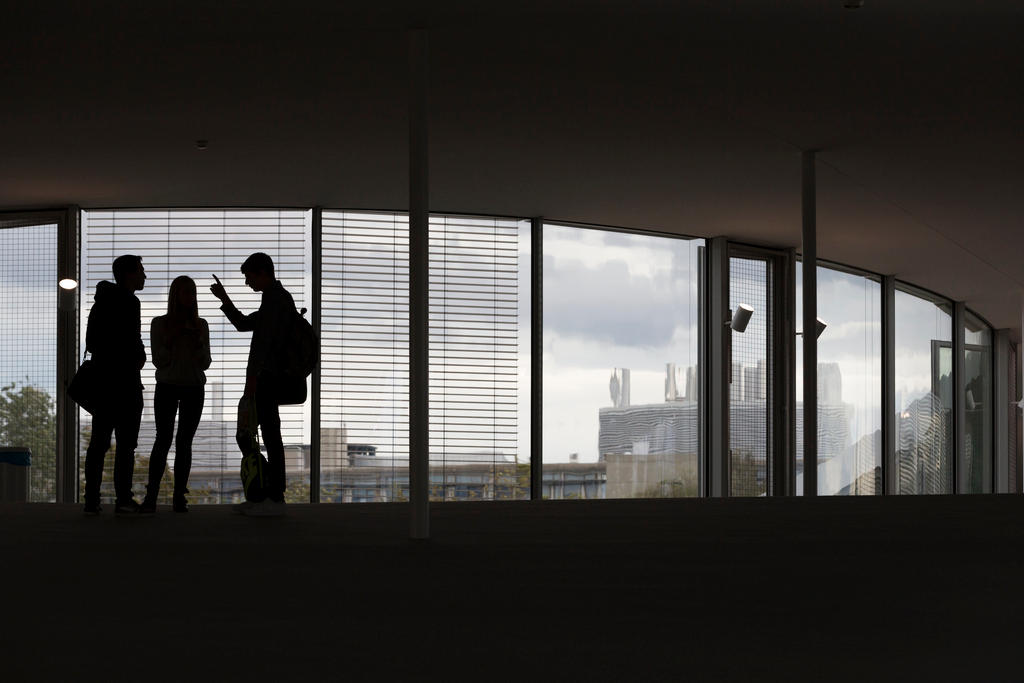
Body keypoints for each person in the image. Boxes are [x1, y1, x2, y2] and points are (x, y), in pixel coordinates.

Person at [210, 252, 305, 516]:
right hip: (271, 378)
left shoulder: (275, 299)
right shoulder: (276, 299)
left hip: (268, 379)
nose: (247, 282)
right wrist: (225, 299)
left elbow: (264, 345)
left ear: (263, 272)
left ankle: (273, 498)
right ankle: (269, 496)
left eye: (249, 277)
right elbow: (243, 324)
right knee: (270, 435)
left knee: (271, 436)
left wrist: (252, 379)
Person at [83, 254, 147, 515]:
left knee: (98, 443)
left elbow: (91, 342)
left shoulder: (100, 304)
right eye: (141, 271)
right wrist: (139, 356)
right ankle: (123, 500)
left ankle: (91, 500)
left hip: (102, 385)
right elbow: (133, 342)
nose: (145, 276)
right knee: (125, 446)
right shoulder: (130, 302)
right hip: (126, 384)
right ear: (129, 274)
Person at [141, 276, 211, 514]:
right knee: (164, 439)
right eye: (185, 292)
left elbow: (206, 363)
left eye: (192, 292)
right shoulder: (159, 324)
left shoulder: (201, 324)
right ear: (175, 295)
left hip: (193, 387)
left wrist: (199, 342)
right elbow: (158, 361)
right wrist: (170, 339)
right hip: (168, 386)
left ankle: (179, 496)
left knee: (184, 442)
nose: (189, 297)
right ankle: (152, 496)